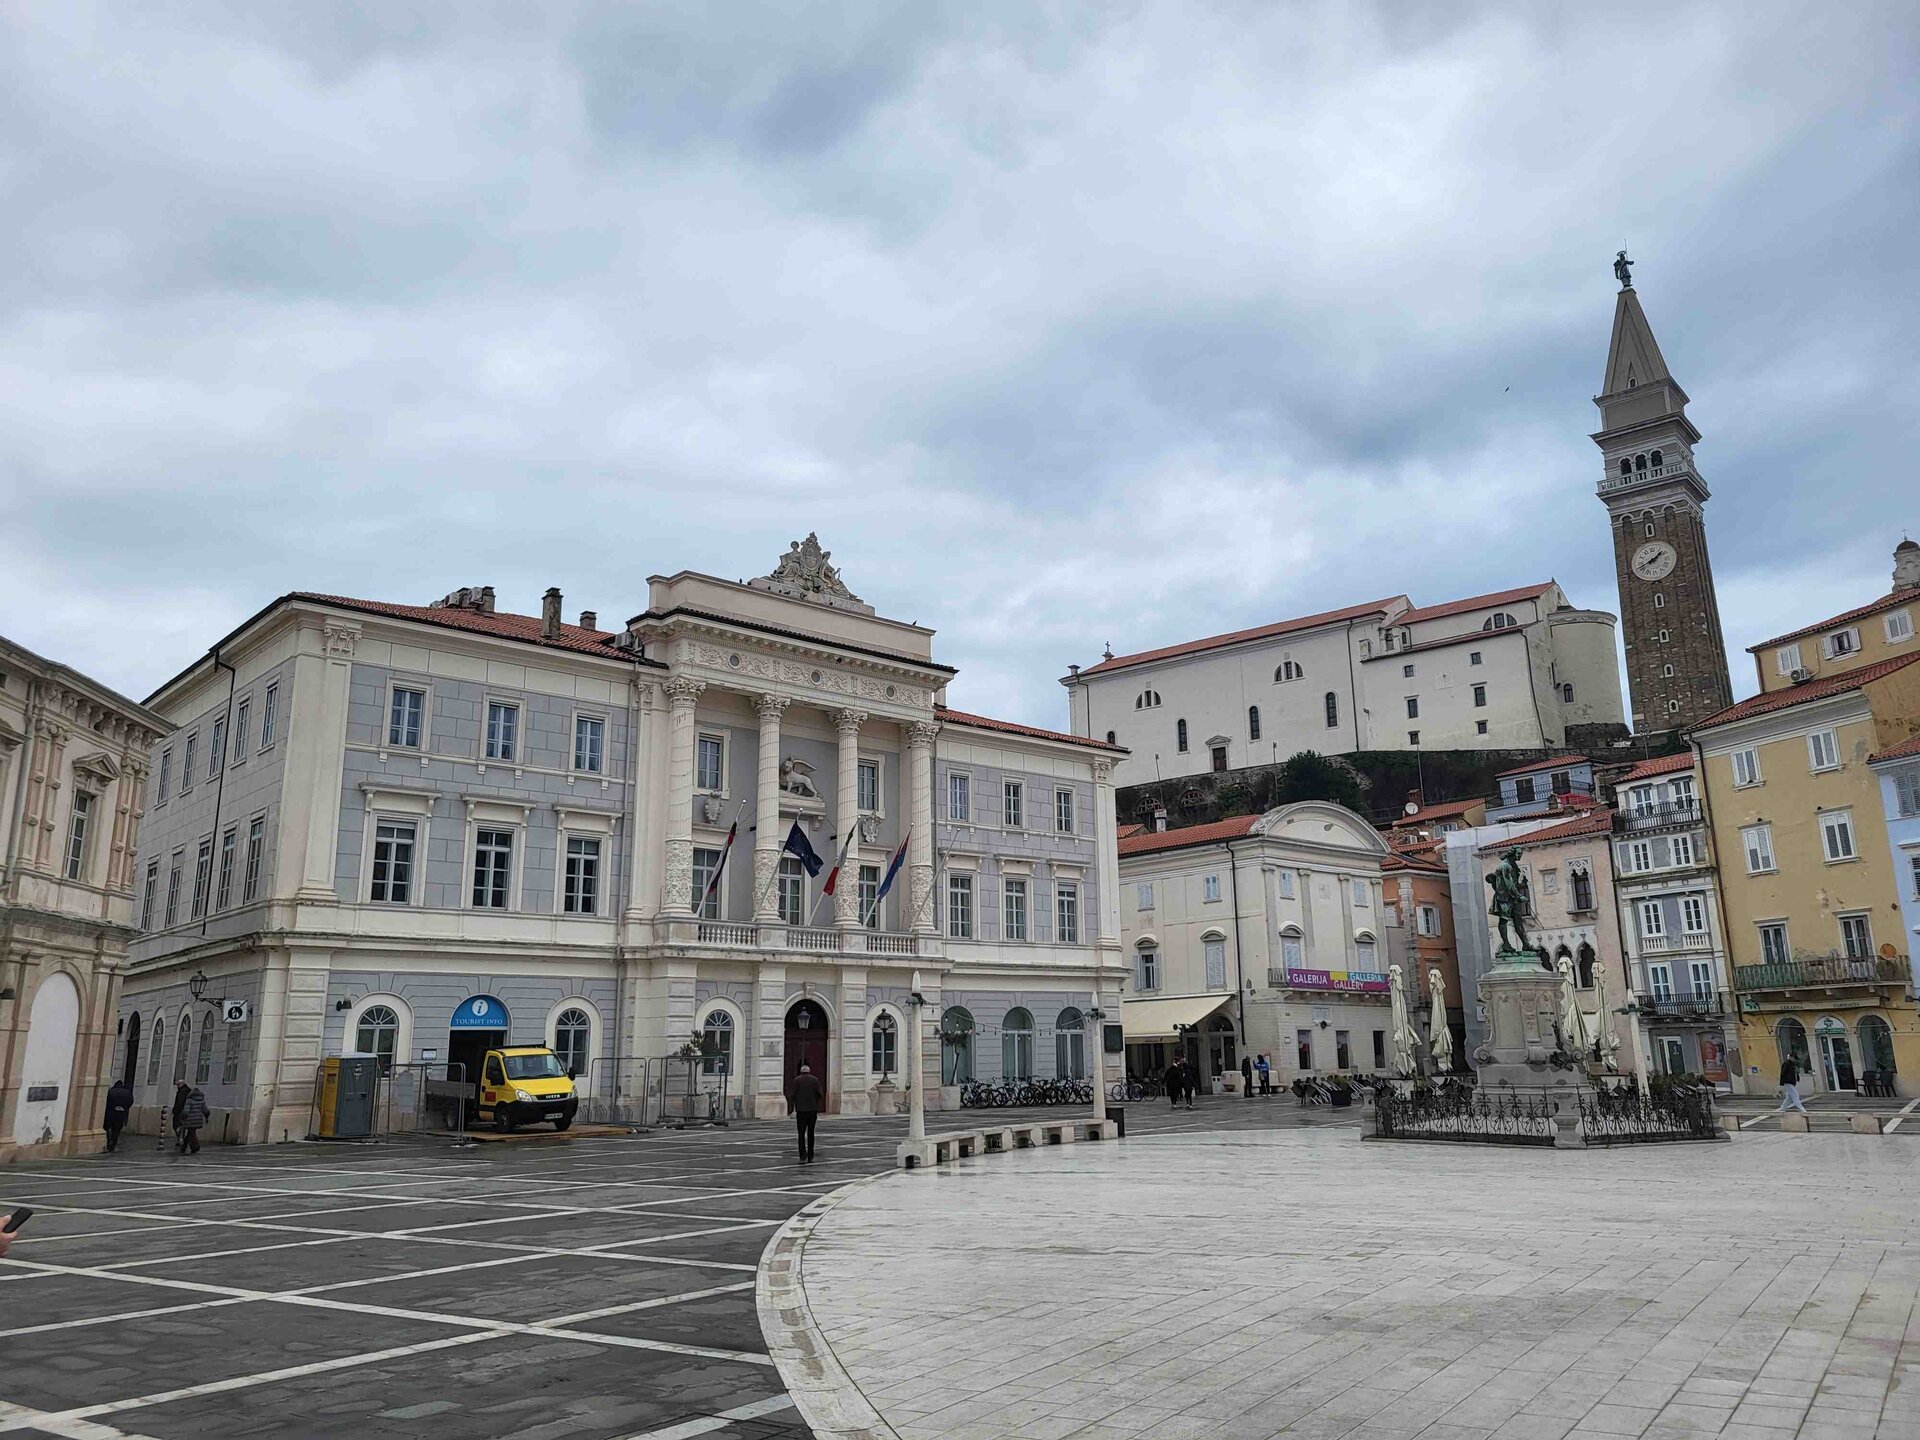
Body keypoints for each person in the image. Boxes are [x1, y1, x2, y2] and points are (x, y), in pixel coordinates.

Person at [786, 1062, 824, 1163]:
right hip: (812, 1110)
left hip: (801, 1110)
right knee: (811, 1133)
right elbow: (820, 1093)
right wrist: (815, 1102)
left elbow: (792, 1095)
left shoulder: (796, 1080)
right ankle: (811, 1155)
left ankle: (802, 1156)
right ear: (809, 1071)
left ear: (801, 1071)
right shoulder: (815, 1080)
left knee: (801, 1134)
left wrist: (795, 1104)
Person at [103, 1077, 134, 1153]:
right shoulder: (127, 1092)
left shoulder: (111, 1091)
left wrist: (112, 1107)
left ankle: (109, 1141)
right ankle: (114, 1142)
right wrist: (125, 1108)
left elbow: (107, 1101)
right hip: (121, 1113)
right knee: (117, 1129)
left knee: (109, 1127)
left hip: (111, 1112)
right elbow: (131, 1101)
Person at [177, 1085, 210, 1154]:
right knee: (190, 1133)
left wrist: (182, 1117)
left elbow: (186, 1111)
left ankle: (195, 1146)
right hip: (198, 1120)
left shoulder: (189, 1101)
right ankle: (184, 1147)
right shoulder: (202, 1101)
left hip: (190, 1120)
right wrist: (206, 1117)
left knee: (191, 1133)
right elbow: (206, 1110)